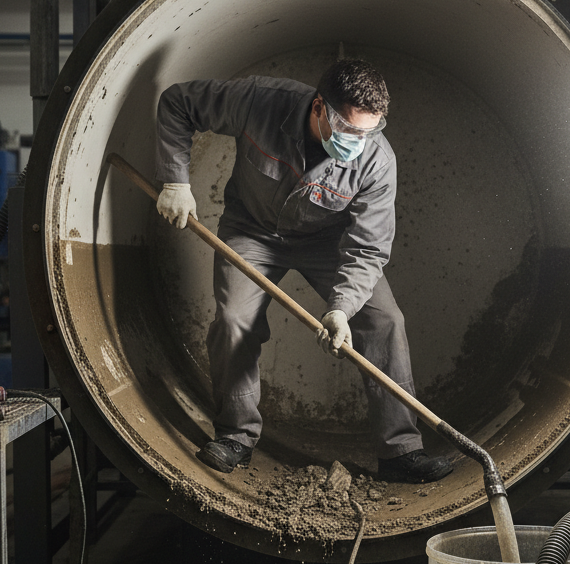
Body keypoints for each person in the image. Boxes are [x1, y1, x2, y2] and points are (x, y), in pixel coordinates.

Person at [154, 58, 453, 484]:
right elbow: (177, 103)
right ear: (318, 108)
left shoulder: (377, 162)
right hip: (252, 232)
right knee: (235, 320)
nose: (359, 142)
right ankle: (236, 436)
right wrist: (175, 181)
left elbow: (368, 248)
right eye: (349, 130)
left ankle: (400, 450)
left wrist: (341, 309)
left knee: (385, 320)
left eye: (370, 132)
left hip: (327, 243)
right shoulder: (259, 101)